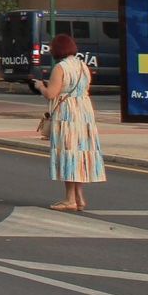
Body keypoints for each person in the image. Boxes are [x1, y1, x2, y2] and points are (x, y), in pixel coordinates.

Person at [33, 33, 105, 211]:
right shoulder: (82, 66)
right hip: (84, 113)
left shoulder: (60, 67)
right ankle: (79, 197)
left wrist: (40, 86)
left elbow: (51, 94)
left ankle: (69, 199)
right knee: (79, 153)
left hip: (67, 115)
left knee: (67, 154)